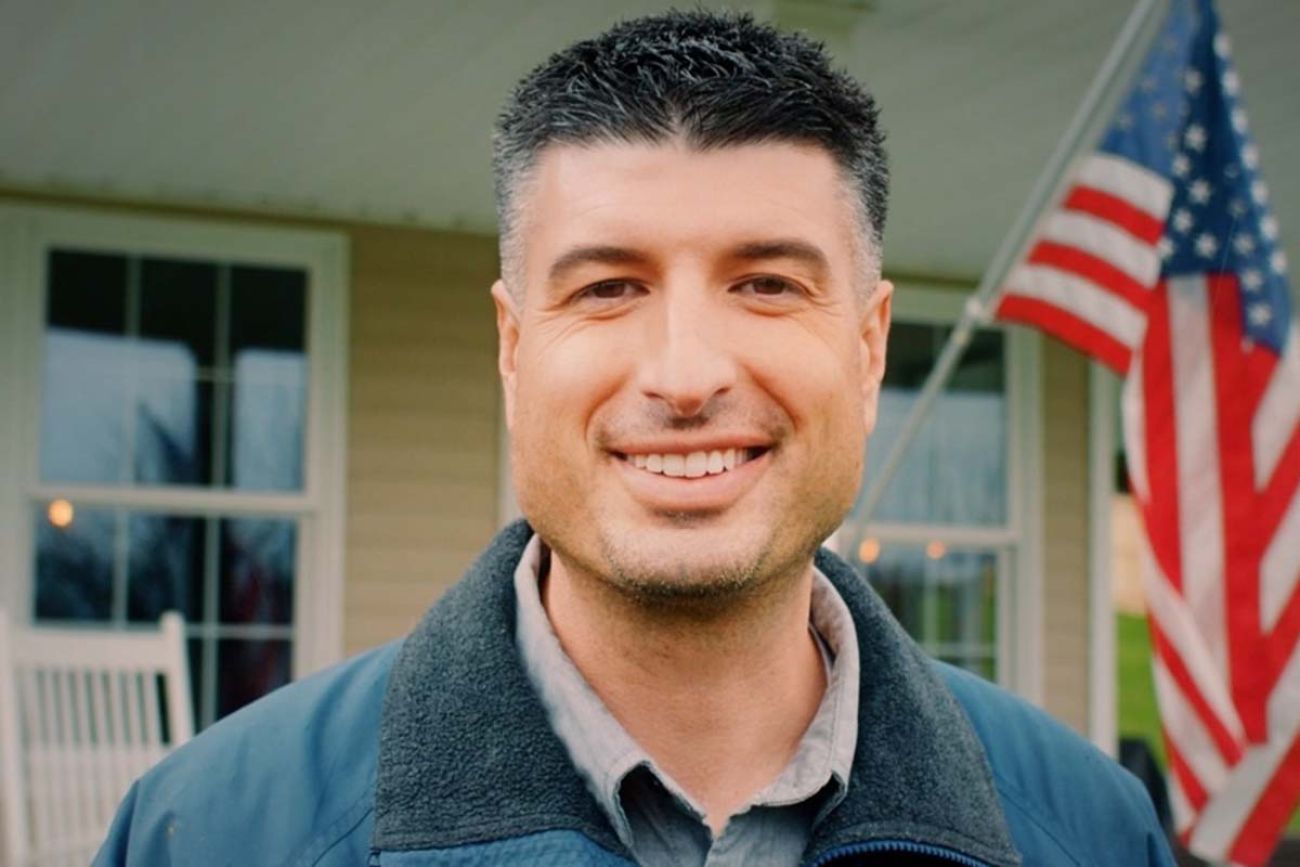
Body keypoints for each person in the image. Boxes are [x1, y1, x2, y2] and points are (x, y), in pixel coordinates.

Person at [96, 11, 1173, 866]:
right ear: (513, 348)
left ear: (869, 342)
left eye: (765, 284)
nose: (685, 375)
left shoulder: (1092, 833)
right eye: (608, 288)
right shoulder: (206, 832)